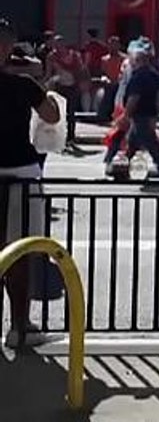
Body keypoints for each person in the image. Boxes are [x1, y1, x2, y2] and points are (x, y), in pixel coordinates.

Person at [0, 18, 61, 349]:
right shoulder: (23, 84)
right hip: (22, 173)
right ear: (9, 47)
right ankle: (20, 326)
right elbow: (52, 116)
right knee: (21, 255)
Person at [104, 38, 159, 183]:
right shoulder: (154, 74)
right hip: (147, 113)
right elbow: (158, 97)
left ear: (138, 59)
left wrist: (125, 115)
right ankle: (121, 166)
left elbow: (133, 98)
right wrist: (156, 115)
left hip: (139, 114)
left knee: (150, 143)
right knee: (133, 142)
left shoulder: (138, 76)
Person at [44, 34, 84, 152]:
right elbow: (48, 73)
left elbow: (80, 70)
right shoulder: (51, 56)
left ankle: (71, 137)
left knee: (71, 113)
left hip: (72, 86)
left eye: (59, 44)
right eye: (55, 45)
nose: (57, 47)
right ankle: (60, 138)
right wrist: (46, 84)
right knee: (59, 113)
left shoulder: (74, 55)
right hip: (59, 86)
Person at [97, 35, 127, 122]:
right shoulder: (104, 59)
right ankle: (103, 116)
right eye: (110, 44)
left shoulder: (124, 58)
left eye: (115, 44)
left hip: (121, 83)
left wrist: (120, 80)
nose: (112, 47)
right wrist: (105, 78)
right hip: (109, 83)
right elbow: (103, 73)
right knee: (107, 92)